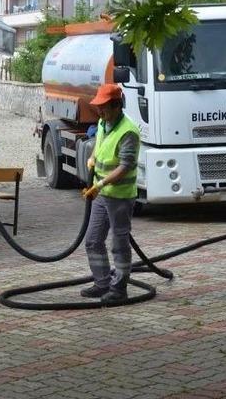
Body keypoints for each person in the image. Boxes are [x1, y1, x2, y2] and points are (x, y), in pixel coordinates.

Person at [80, 83, 141, 302]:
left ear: (117, 106)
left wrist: (100, 183)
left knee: (119, 243)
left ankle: (119, 289)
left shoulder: (128, 132)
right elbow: (100, 144)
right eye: (99, 107)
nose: (100, 111)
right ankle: (102, 282)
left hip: (120, 197)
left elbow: (125, 166)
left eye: (104, 107)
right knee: (93, 240)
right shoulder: (103, 123)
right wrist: (93, 157)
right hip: (102, 194)